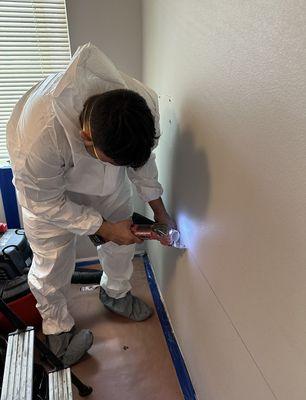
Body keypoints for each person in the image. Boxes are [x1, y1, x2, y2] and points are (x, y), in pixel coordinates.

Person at [6, 43, 176, 366]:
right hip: (46, 191)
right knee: (52, 260)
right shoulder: (38, 140)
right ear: (88, 141)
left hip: (93, 170)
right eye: (115, 162)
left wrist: (160, 212)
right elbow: (47, 203)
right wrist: (102, 228)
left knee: (125, 230)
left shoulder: (135, 105)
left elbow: (142, 163)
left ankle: (116, 293)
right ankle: (57, 331)